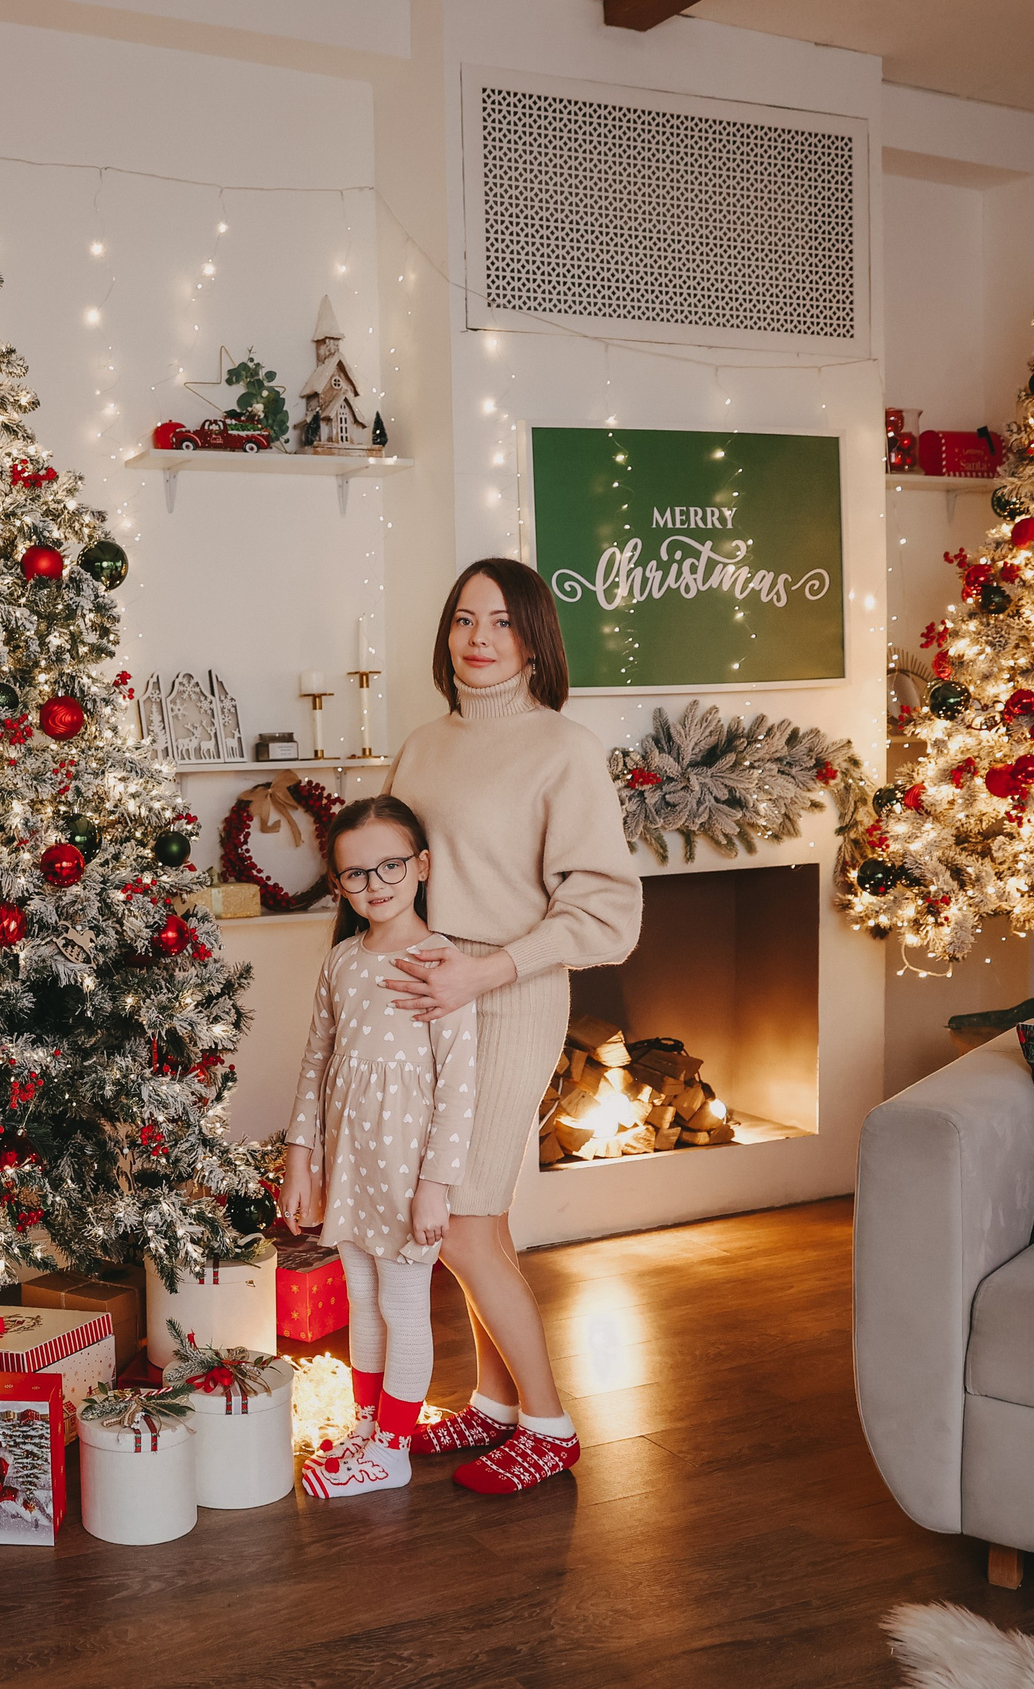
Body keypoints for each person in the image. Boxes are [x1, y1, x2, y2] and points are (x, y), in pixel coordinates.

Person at [377, 557, 641, 1496]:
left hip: (507, 991)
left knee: (462, 1220)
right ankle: (491, 1408)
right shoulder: (420, 745)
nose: (478, 639)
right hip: (424, 993)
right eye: (462, 620)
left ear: (534, 639)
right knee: (472, 1222)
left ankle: (549, 1422)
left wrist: (483, 969)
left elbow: (607, 914)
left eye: (500, 621)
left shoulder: (563, 748)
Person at [281, 795, 477, 1499]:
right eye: (355, 873)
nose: (376, 883)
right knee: (361, 1296)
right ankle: (369, 1424)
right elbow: (316, 1062)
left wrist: (436, 1183)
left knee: (401, 1302)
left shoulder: (442, 962)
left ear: (421, 865)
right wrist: (301, 1158)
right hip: (351, 1163)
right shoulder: (341, 962)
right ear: (338, 883)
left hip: (406, 1172)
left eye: (390, 864)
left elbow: (458, 1086)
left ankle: (393, 1445)